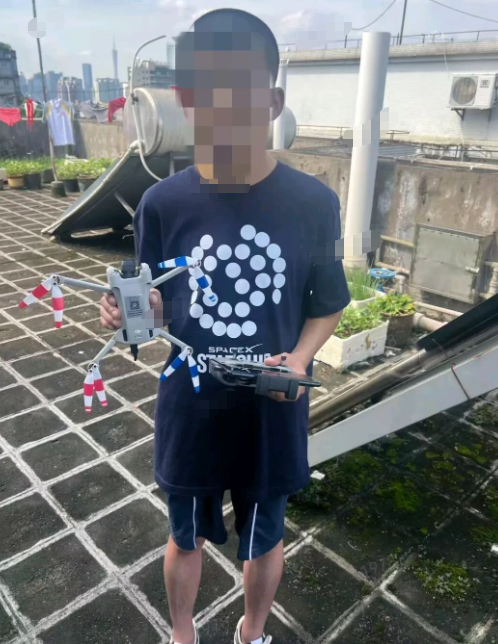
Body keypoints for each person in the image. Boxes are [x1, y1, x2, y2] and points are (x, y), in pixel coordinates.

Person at [100, 8, 350, 644]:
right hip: (191, 405)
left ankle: (252, 631)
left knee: (264, 537)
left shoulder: (315, 204)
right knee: (183, 536)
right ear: (188, 101)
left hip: (273, 406)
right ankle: (182, 633)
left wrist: (300, 357)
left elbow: (328, 301)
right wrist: (130, 315)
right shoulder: (161, 204)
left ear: (272, 102)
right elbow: (161, 305)